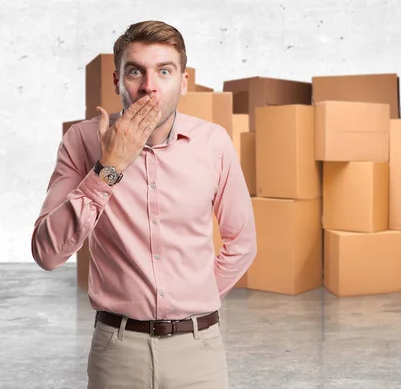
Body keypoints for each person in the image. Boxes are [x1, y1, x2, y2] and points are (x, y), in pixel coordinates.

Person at [31, 20, 257, 388]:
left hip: (199, 353)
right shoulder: (82, 141)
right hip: (117, 352)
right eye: (136, 71)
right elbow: (47, 252)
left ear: (183, 82)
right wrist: (108, 168)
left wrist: (194, 301)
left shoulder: (213, 143)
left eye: (164, 71)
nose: (149, 86)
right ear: (117, 80)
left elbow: (242, 243)